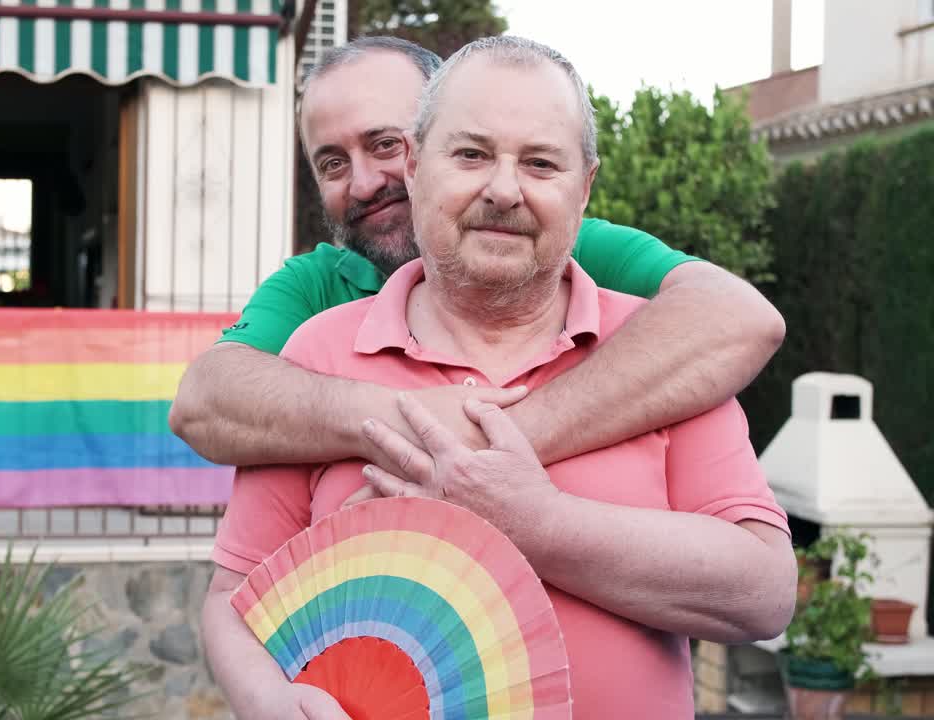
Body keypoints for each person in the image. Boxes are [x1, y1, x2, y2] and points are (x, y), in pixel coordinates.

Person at [200, 35, 797, 720]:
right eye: (472, 155)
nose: (504, 190)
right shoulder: (317, 349)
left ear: (585, 187)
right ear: (419, 168)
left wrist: (533, 522)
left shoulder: (661, 355)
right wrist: (266, 698)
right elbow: (234, 595)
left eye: (541, 163)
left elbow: (763, 593)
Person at [168, 36, 785, 479]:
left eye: (385, 144)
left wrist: (489, 447)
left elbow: (740, 320)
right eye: (332, 162)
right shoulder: (316, 285)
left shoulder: (559, 247)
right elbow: (204, 402)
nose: (362, 183)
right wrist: (413, 422)